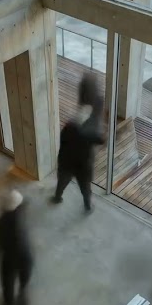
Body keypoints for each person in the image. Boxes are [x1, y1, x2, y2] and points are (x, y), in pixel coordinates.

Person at [52, 71, 105, 213]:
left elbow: (62, 143)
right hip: (83, 165)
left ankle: (57, 197)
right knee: (85, 187)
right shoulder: (90, 134)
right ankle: (87, 206)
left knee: (62, 182)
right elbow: (100, 140)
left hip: (67, 162)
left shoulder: (68, 128)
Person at [0, 188, 33, 305]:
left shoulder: (1, 222)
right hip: (26, 256)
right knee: (24, 281)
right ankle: (23, 303)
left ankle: (8, 302)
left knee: (8, 280)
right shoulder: (22, 214)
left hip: (9, 257)